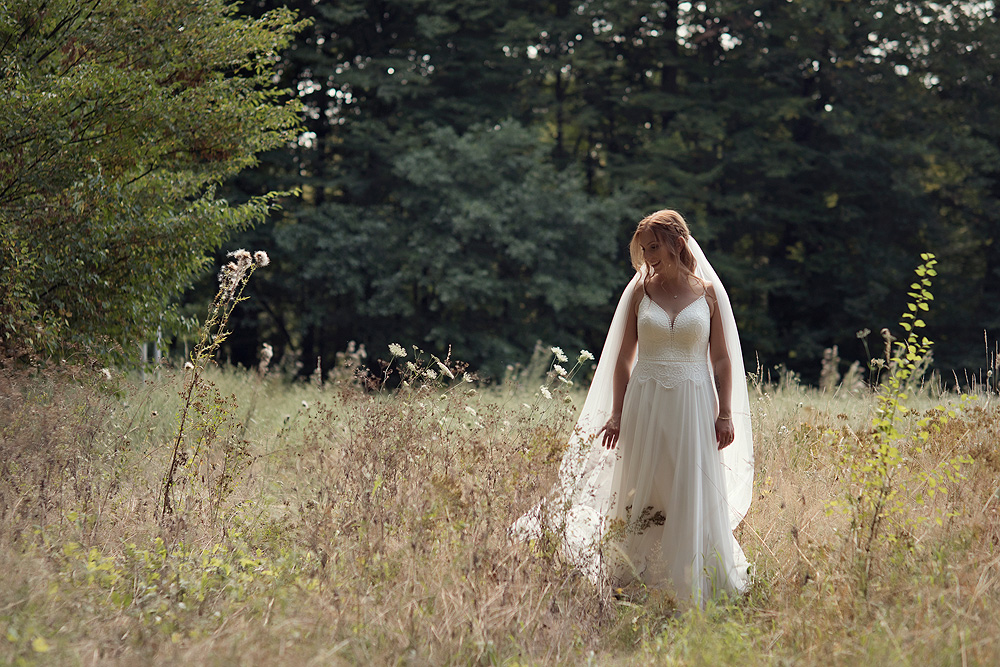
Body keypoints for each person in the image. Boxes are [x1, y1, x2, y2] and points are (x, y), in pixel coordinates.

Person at [512, 209, 753, 608]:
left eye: (654, 247)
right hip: (645, 399)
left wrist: (725, 413)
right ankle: (633, 574)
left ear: (678, 242)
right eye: (643, 249)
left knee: (689, 485)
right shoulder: (641, 292)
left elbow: (723, 360)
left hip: (694, 402)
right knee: (641, 483)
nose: (648, 256)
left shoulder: (708, 293)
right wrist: (618, 413)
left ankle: (692, 579)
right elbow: (623, 358)